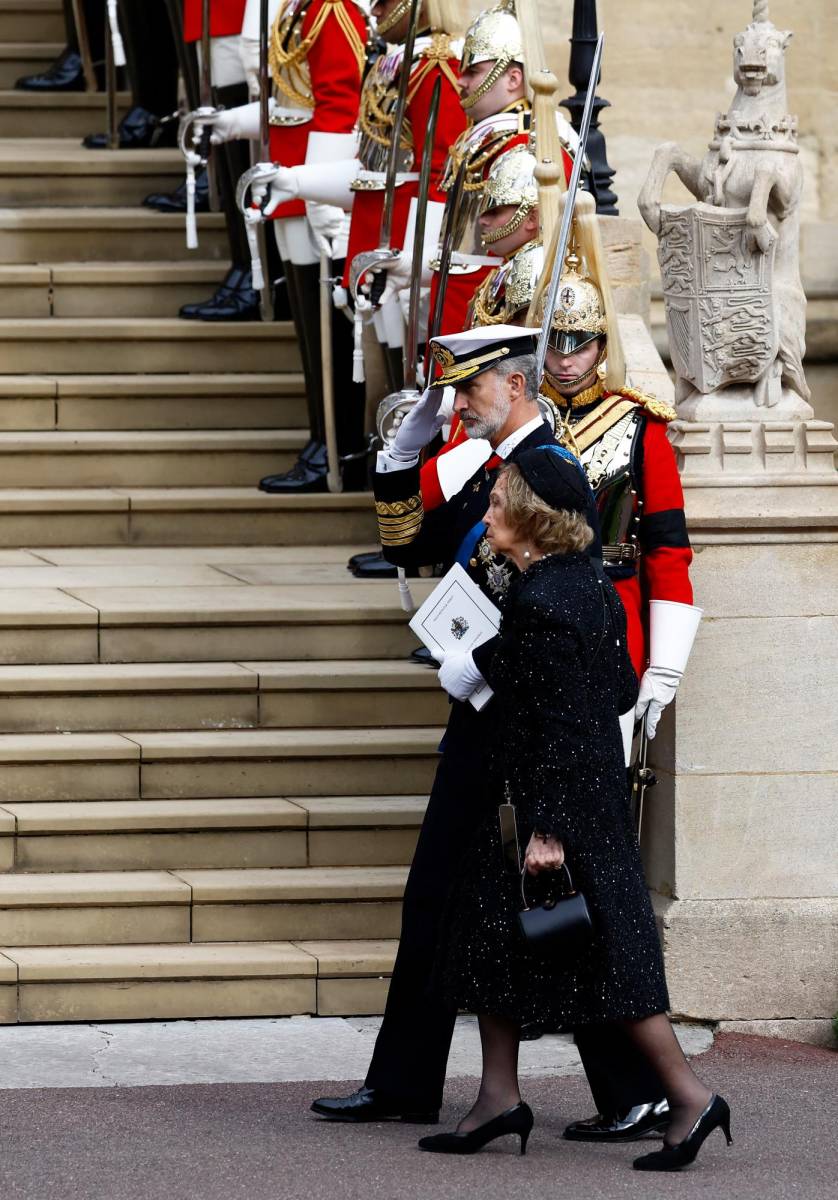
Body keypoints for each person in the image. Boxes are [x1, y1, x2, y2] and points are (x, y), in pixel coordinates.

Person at [310, 325, 600, 1124]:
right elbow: (407, 545)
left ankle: (643, 1092)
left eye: (469, 389)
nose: (458, 403)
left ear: (511, 386)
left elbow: (570, 594)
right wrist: (398, 459)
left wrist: (490, 664)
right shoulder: (490, 470)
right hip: (483, 720)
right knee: (448, 898)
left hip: (520, 726)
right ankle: (407, 1082)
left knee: (575, 905)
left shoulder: (552, 467)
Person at [418, 447, 731, 1174]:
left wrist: (548, 831)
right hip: (574, 796)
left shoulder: (543, 601)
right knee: (486, 941)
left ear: (529, 519)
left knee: (613, 965)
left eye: (498, 504)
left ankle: (689, 1097)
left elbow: (558, 717)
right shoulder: (583, 586)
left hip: (557, 812)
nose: (488, 514)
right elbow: (616, 690)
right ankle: (497, 1097)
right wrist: (500, 663)